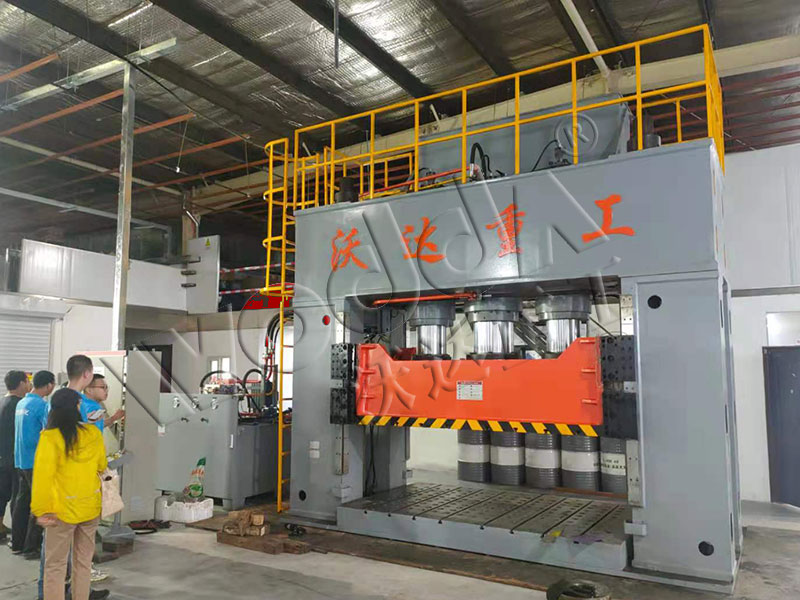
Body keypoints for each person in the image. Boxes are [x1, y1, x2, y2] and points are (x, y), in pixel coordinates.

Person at [32, 388, 107, 600]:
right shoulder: (93, 433)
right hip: (90, 507)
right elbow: (102, 466)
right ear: (76, 407)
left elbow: (43, 478)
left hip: (60, 512)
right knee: (83, 563)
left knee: (55, 566)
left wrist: (41, 510)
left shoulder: (49, 438)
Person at [12, 370, 55, 558]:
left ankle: (17, 543)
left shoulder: (21, 403)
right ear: (49, 385)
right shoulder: (42, 405)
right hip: (36, 461)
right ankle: (31, 548)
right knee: (38, 504)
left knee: (22, 502)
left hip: (21, 460)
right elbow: (49, 431)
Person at [1, 370, 30, 545]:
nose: (29, 385)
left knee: (2, 495)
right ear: (21, 383)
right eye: (27, 381)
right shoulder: (19, 405)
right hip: (14, 457)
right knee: (16, 496)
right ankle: (19, 535)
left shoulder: (2, 402)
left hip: (3, 456)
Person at [66, 356, 104, 432]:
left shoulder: (57, 397)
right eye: (92, 372)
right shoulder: (75, 400)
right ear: (86, 374)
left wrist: (86, 420)